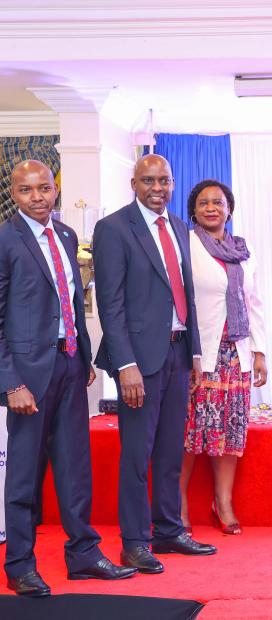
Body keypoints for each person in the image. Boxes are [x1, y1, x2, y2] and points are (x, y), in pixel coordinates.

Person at [0, 160, 136, 597]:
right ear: (13, 193)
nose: (37, 197)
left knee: (76, 468)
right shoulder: (5, 240)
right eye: (26, 190)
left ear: (54, 190)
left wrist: (82, 355)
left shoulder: (66, 236)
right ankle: (19, 564)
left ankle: (83, 555)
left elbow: (72, 299)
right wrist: (11, 383)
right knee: (23, 475)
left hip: (70, 365)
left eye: (43, 188)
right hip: (27, 376)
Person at [93, 154, 216, 575]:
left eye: (164, 180)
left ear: (173, 182)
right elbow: (110, 304)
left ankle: (167, 530)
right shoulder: (113, 229)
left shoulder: (179, 228)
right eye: (148, 180)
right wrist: (124, 364)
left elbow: (187, 296)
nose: (157, 188)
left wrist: (196, 352)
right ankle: (134, 542)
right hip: (139, 362)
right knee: (136, 455)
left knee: (169, 451)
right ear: (134, 183)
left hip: (178, 354)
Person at [179, 179, 267, 535]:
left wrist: (259, 351)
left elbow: (254, 302)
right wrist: (187, 353)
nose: (212, 208)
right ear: (194, 211)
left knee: (230, 432)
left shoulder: (243, 250)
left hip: (236, 353)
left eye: (218, 202)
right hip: (200, 354)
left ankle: (223, 502)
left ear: (229, 208)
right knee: (189, 433)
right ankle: (177, 507)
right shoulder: (185, 246)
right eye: (204, 203)